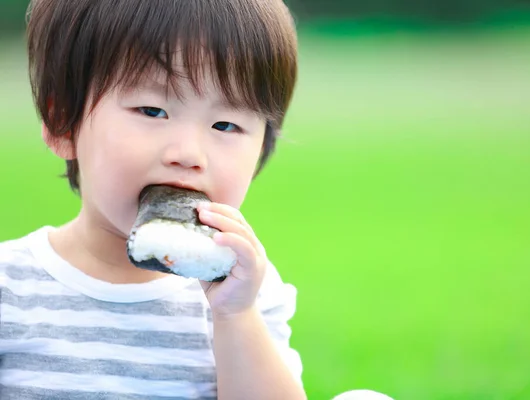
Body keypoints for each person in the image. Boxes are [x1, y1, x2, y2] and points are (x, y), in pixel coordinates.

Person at [0, 0, 306, 399]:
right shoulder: (11, 288)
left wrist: (236, 315)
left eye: (226, 124)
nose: (188, 154)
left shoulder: (246, 292)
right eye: (153, 110)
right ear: (64, 123)